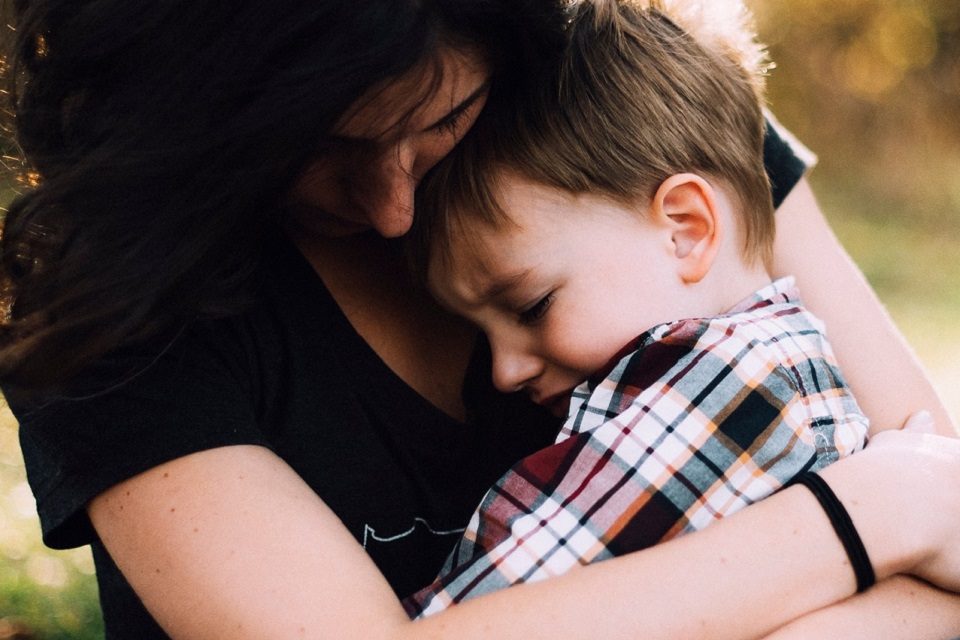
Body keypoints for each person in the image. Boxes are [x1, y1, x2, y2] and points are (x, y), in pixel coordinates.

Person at [0, 0, 958, 638]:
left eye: (441, 119)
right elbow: (924, 504)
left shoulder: (634, 113)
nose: (391, 210)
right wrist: (863, 518)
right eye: (315, 147)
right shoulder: (111, 298)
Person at [403, 0, 871, 615]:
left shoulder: (729, 386)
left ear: (685, 230)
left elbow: (495, 605)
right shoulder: (779, 363)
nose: (502, 371)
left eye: (531, 306)